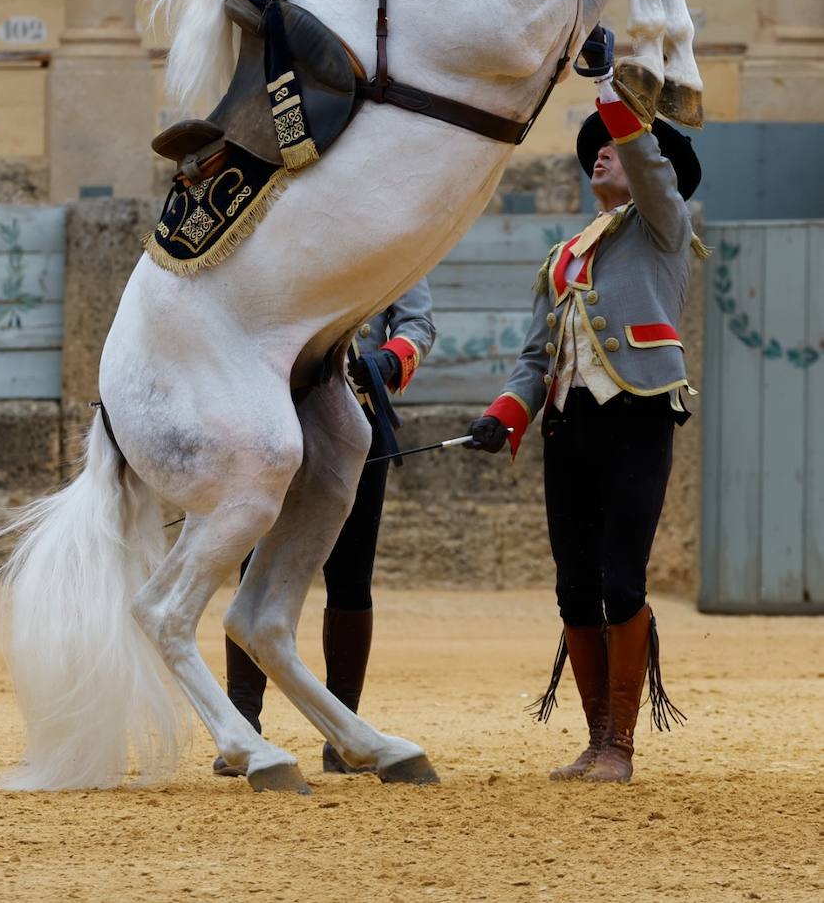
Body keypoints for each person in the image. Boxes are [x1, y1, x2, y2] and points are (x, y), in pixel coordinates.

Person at [466, 56, 704, 784]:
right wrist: (504, 413)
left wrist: (610, 92)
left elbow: (640, 149)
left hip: (636, 414)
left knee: (621, 580)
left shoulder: (665, 224)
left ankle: (621, 749)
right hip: (568, 427)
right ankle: (596, 736)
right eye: (596, 142)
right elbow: (536, 355)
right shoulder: (562, 256)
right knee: (574, 586)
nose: (602, 148)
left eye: (615, 142)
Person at [216, 279, 436, 774]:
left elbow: (418, 325)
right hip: (275, 414)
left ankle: (344, 729)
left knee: (351, 575)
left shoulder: (398, 227)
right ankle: (245, 720)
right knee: (255, 564)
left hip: (358, 411)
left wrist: (388, 361)